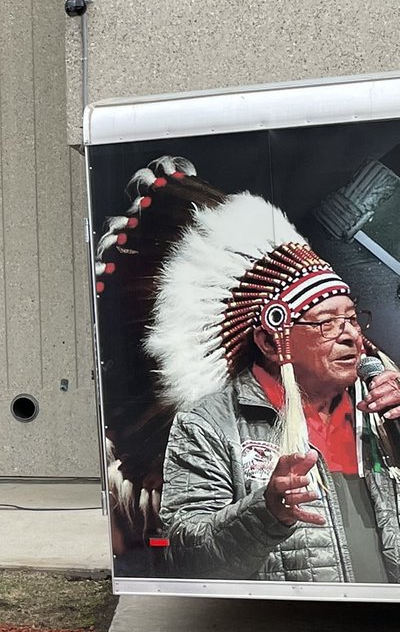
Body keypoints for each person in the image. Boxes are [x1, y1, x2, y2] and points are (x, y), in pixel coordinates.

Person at [145, 190, 400, 581]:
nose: (351, 336)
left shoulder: (382, 409)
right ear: (269, 342)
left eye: (352, 318)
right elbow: (186, 556)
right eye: (327, 323)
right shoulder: (210, 425)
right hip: (295, 629)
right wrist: (265, 512)